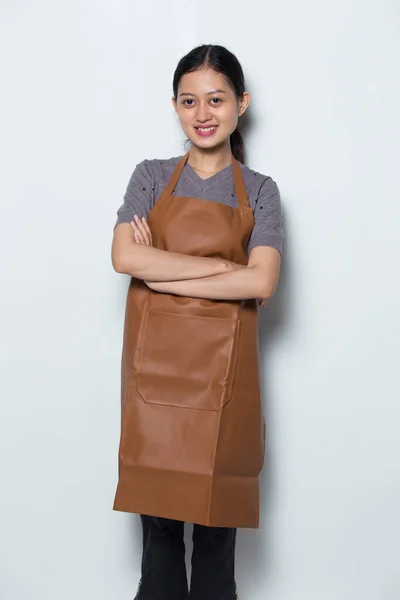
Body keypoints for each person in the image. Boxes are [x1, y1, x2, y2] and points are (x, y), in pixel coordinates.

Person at [111, 44, 283, 600]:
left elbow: (260, 281)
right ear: (175, 106)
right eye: (190, 101)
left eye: (216, 99)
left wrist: (163, 275)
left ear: (241, 104)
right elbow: (125, 258)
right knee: (159, 557)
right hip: (153, 385)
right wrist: (220, 270)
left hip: (224, 390)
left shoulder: (260, 190)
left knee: (215, 560)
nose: (203, 113)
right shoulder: (151, 175)